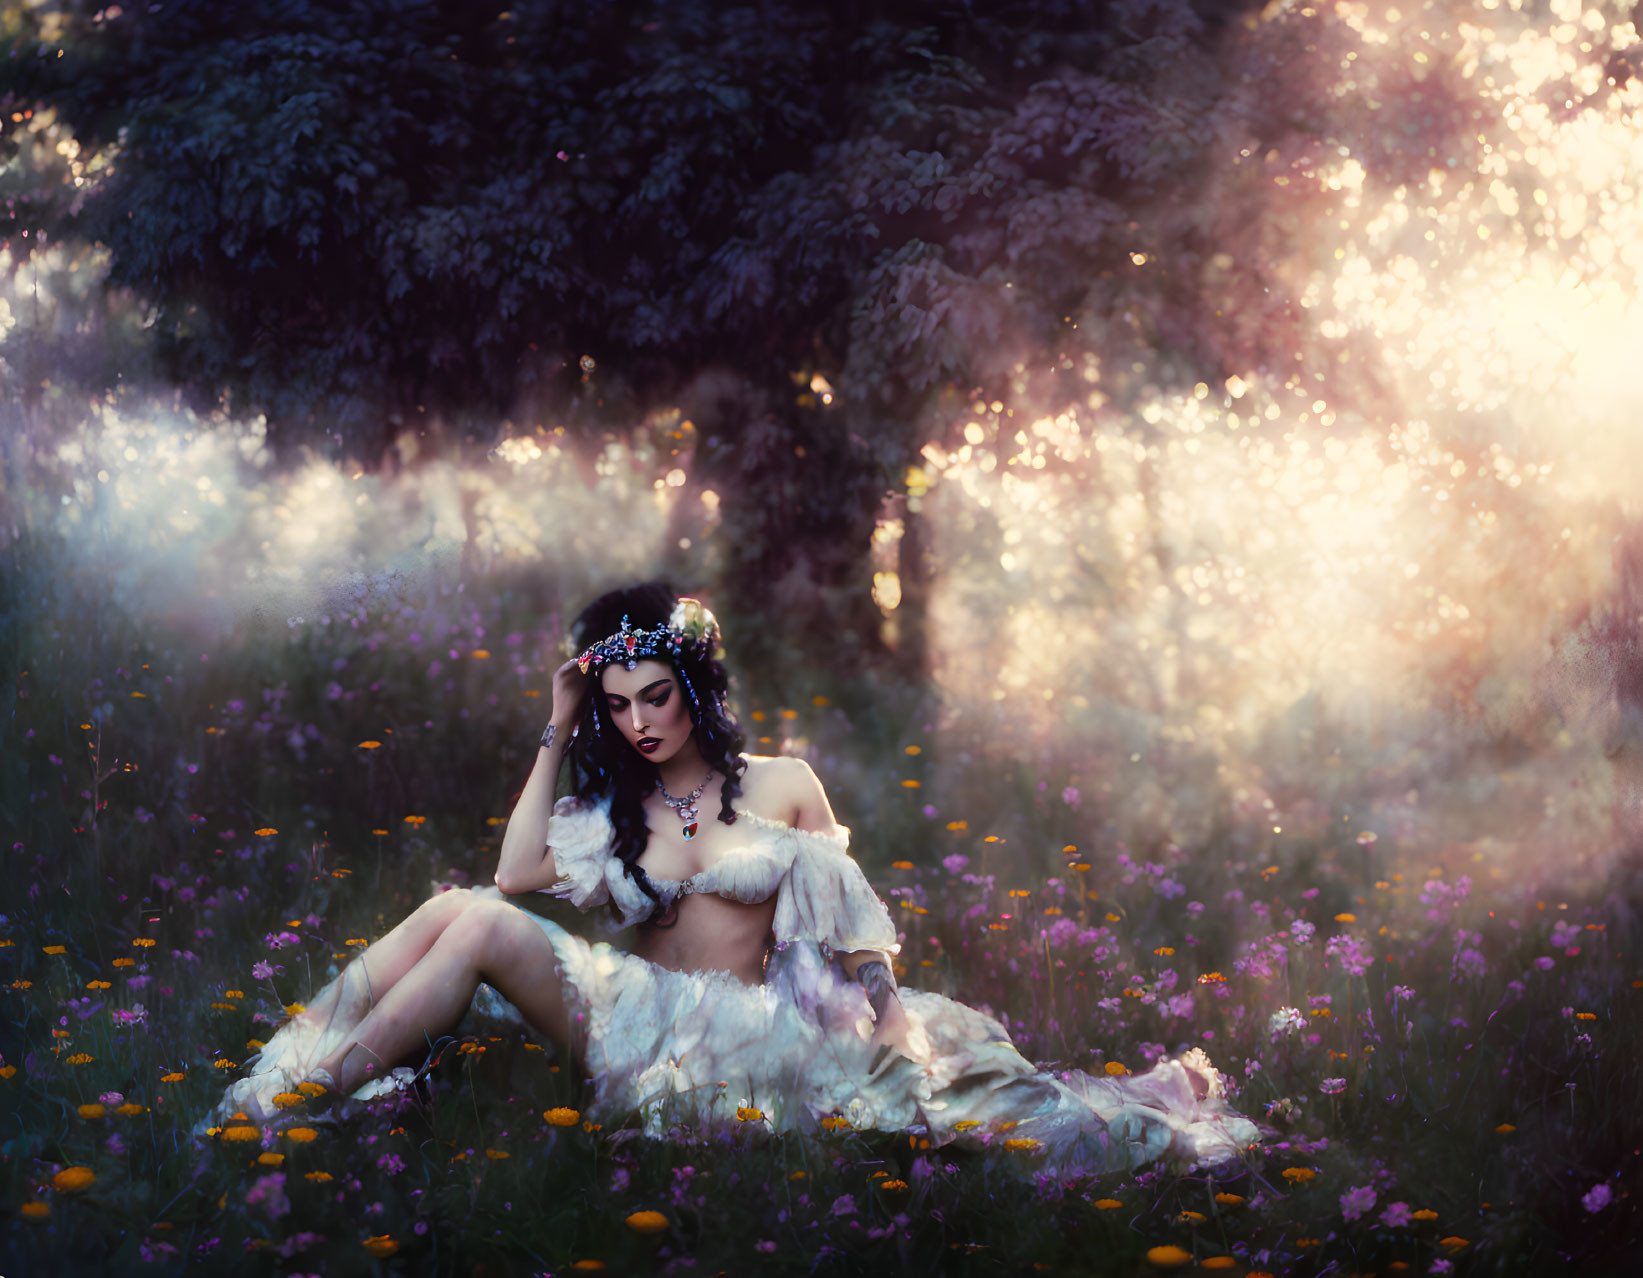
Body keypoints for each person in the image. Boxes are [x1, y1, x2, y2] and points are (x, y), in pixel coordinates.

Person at [209, 583, 1263, 1172]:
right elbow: (513, 868)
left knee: (476, 927)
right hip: (624, 1011)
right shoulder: (608, 810)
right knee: (463, 905)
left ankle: (304, 1099)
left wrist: (889, 1041)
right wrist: (557, 722)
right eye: (617, 704)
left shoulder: (785, 785)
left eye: (654, 696)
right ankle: (291, 1072)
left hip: (737, 1034)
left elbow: (849, 949)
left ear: (695, 689)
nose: (638, 721)